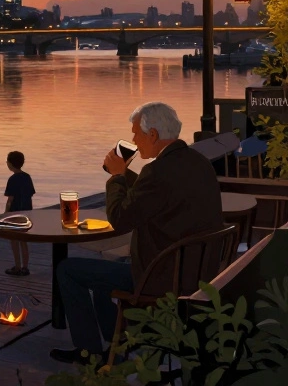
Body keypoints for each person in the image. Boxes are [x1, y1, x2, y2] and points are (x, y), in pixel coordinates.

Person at [50, 102, 224, 365]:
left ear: (152, 134)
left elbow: (120, 219)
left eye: (136, 134)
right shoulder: (197, 162)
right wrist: (127, 173)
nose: (133, 140)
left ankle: (90, 353)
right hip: (196, 271)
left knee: (67, 270)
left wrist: (118, 177)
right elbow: (157, 193)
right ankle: (118, 343)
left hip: (161, 277)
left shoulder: (157, 171)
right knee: (106, 272)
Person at [4, 150, 36, 276]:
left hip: (14, 214)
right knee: (23, 241)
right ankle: (25, 267)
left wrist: (5, 214)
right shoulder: (27, 177)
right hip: (26, 213)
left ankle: (17, 266)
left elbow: (10, 199)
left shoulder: (12, 179)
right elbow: (31, 194)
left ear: (10, 164)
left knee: (14, 241)